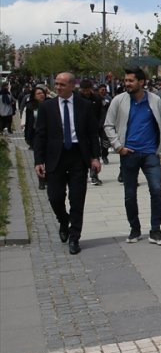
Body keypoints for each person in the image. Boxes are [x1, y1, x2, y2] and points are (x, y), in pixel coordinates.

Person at [33, 72, 102, 255]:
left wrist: (95, 157)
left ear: (72, 86)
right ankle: (64, 221)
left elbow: (93, 134)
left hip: (78, 156)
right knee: (55, 197)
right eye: (56, 84)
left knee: (77, 199)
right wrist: (38, 160)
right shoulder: (47, 107)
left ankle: (74, 237)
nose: (57, 87)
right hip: (55, 157)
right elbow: (40, 135)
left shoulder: (84, 106)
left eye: (62, 84)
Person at [104, 67, 161, 246]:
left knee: (156, 190)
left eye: (130, 81)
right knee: (130, 194)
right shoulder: (119, 100)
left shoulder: (154, 100)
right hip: (129, 154)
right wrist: (119, 147)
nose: (127, 84)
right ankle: (135, 228)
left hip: (150, 153)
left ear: (141, 82)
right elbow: (108, 125)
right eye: (125, 81)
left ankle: (155, 230)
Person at [78, 79, 104, 186]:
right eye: (84, 90)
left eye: (88, 90)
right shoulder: (77, 99)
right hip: (81, 130)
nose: (86, 92)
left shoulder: (97, 99)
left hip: (94, 129)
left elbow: (102, 112)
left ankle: (94, 175)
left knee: (95, 152)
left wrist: (100, 124)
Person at [23, 86, 48, 190]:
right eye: (38, 93)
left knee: (50, 157)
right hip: (36, 135)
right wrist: (27, 136)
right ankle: (41, 180)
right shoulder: (30, 106)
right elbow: (28, 122)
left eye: (42, 93)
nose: (41, 95)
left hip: (50, 134)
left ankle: (48, 177)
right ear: (34, 96)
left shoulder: (50, 104)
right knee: (39, 157)